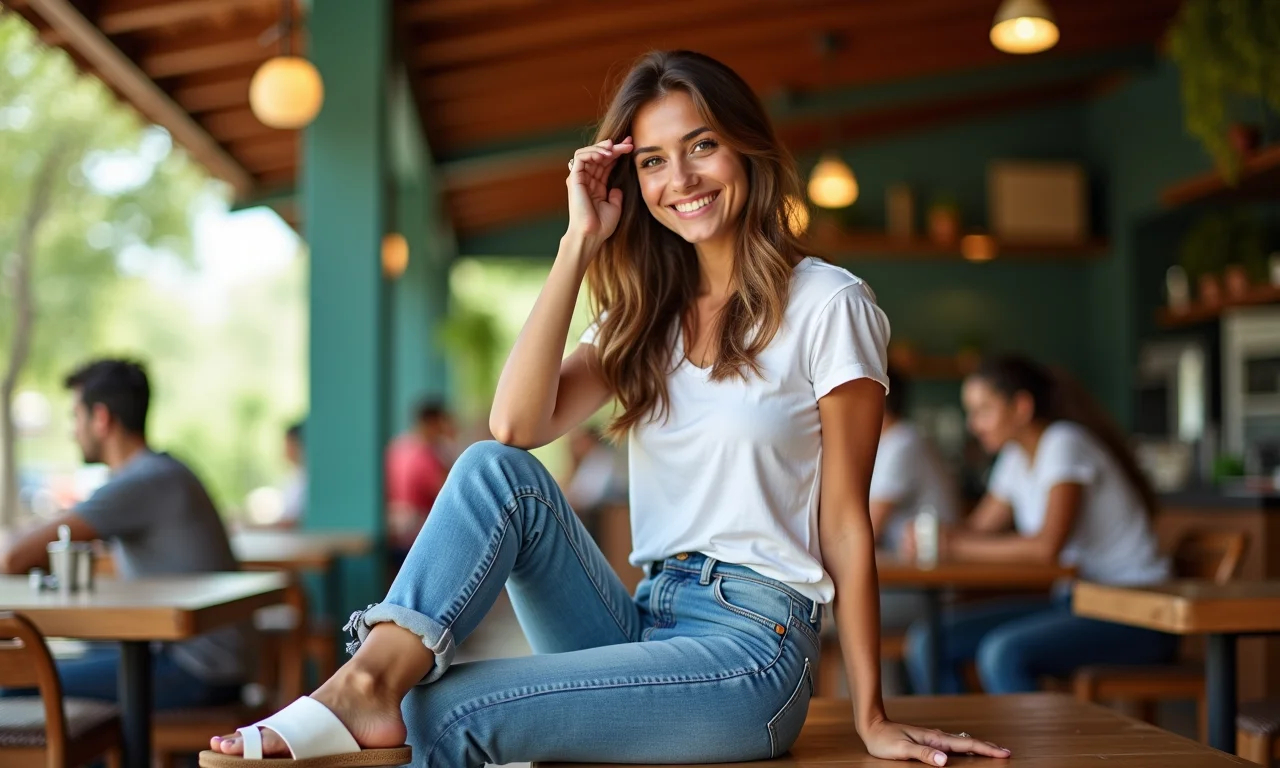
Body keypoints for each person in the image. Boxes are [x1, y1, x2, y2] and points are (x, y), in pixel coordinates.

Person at [206, 51, 1009, 767]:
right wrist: (577, 242)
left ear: (746, 147)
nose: (680, 179)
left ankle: (366, 692)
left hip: (753, 648)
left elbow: (846, 524)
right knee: (495, 473)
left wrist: (871, 715)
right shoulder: (644, 317)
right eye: (653, 160)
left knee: (443, 713)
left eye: (701, 146)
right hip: (644, 615)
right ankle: (366, 682)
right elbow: (515, 429)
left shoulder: (829, 303)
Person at [901, 354, 1178, 694]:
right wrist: (931, 535)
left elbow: (1047, 547)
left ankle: (1037, 734)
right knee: (928, 641)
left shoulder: (1064, 443)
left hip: (1137, 612)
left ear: (1021, 407)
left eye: (983, 410)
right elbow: (976, 529)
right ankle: (956, 730)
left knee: (1003, 654)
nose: (973, 425)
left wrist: (954, 545)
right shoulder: (1015, 457)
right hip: (1076, 603)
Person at [0, 359, 253, 708]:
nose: (72, 431)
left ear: (101, 418)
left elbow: (14, 558)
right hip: (199, 657)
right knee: (58, 659)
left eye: (75, 416)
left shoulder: (142, 481)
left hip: (195, 669)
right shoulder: (161, 472)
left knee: (16, 680)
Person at [867, 369, 959, 695]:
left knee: (827, 611)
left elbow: (866, 529)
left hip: (929, 589)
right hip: (908, 582)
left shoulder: (902, 443)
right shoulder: (889, 443)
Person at [384, 400, 456, 570]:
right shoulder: (427, 456)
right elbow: (451, 494)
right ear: (433, 423)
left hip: (393, 533)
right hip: (417, 540)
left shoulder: (397, 448)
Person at [279, 420, 306, 527]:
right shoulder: (294, 476)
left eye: (288, 444)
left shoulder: (307, 479)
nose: (285, 450)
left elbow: (292, 522)